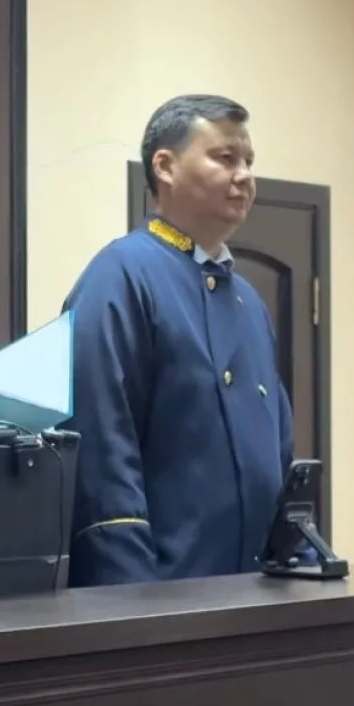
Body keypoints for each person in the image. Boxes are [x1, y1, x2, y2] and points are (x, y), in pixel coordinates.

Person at [61, 94, 293, 587]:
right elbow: (102, 450)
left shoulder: (249, 302)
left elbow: (279, 450)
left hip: (255, 592)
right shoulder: (121, 275)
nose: (244, 177)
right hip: (161, 594)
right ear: (165, 166)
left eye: (249, 162)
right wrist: (128, 596)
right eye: (225, 157)